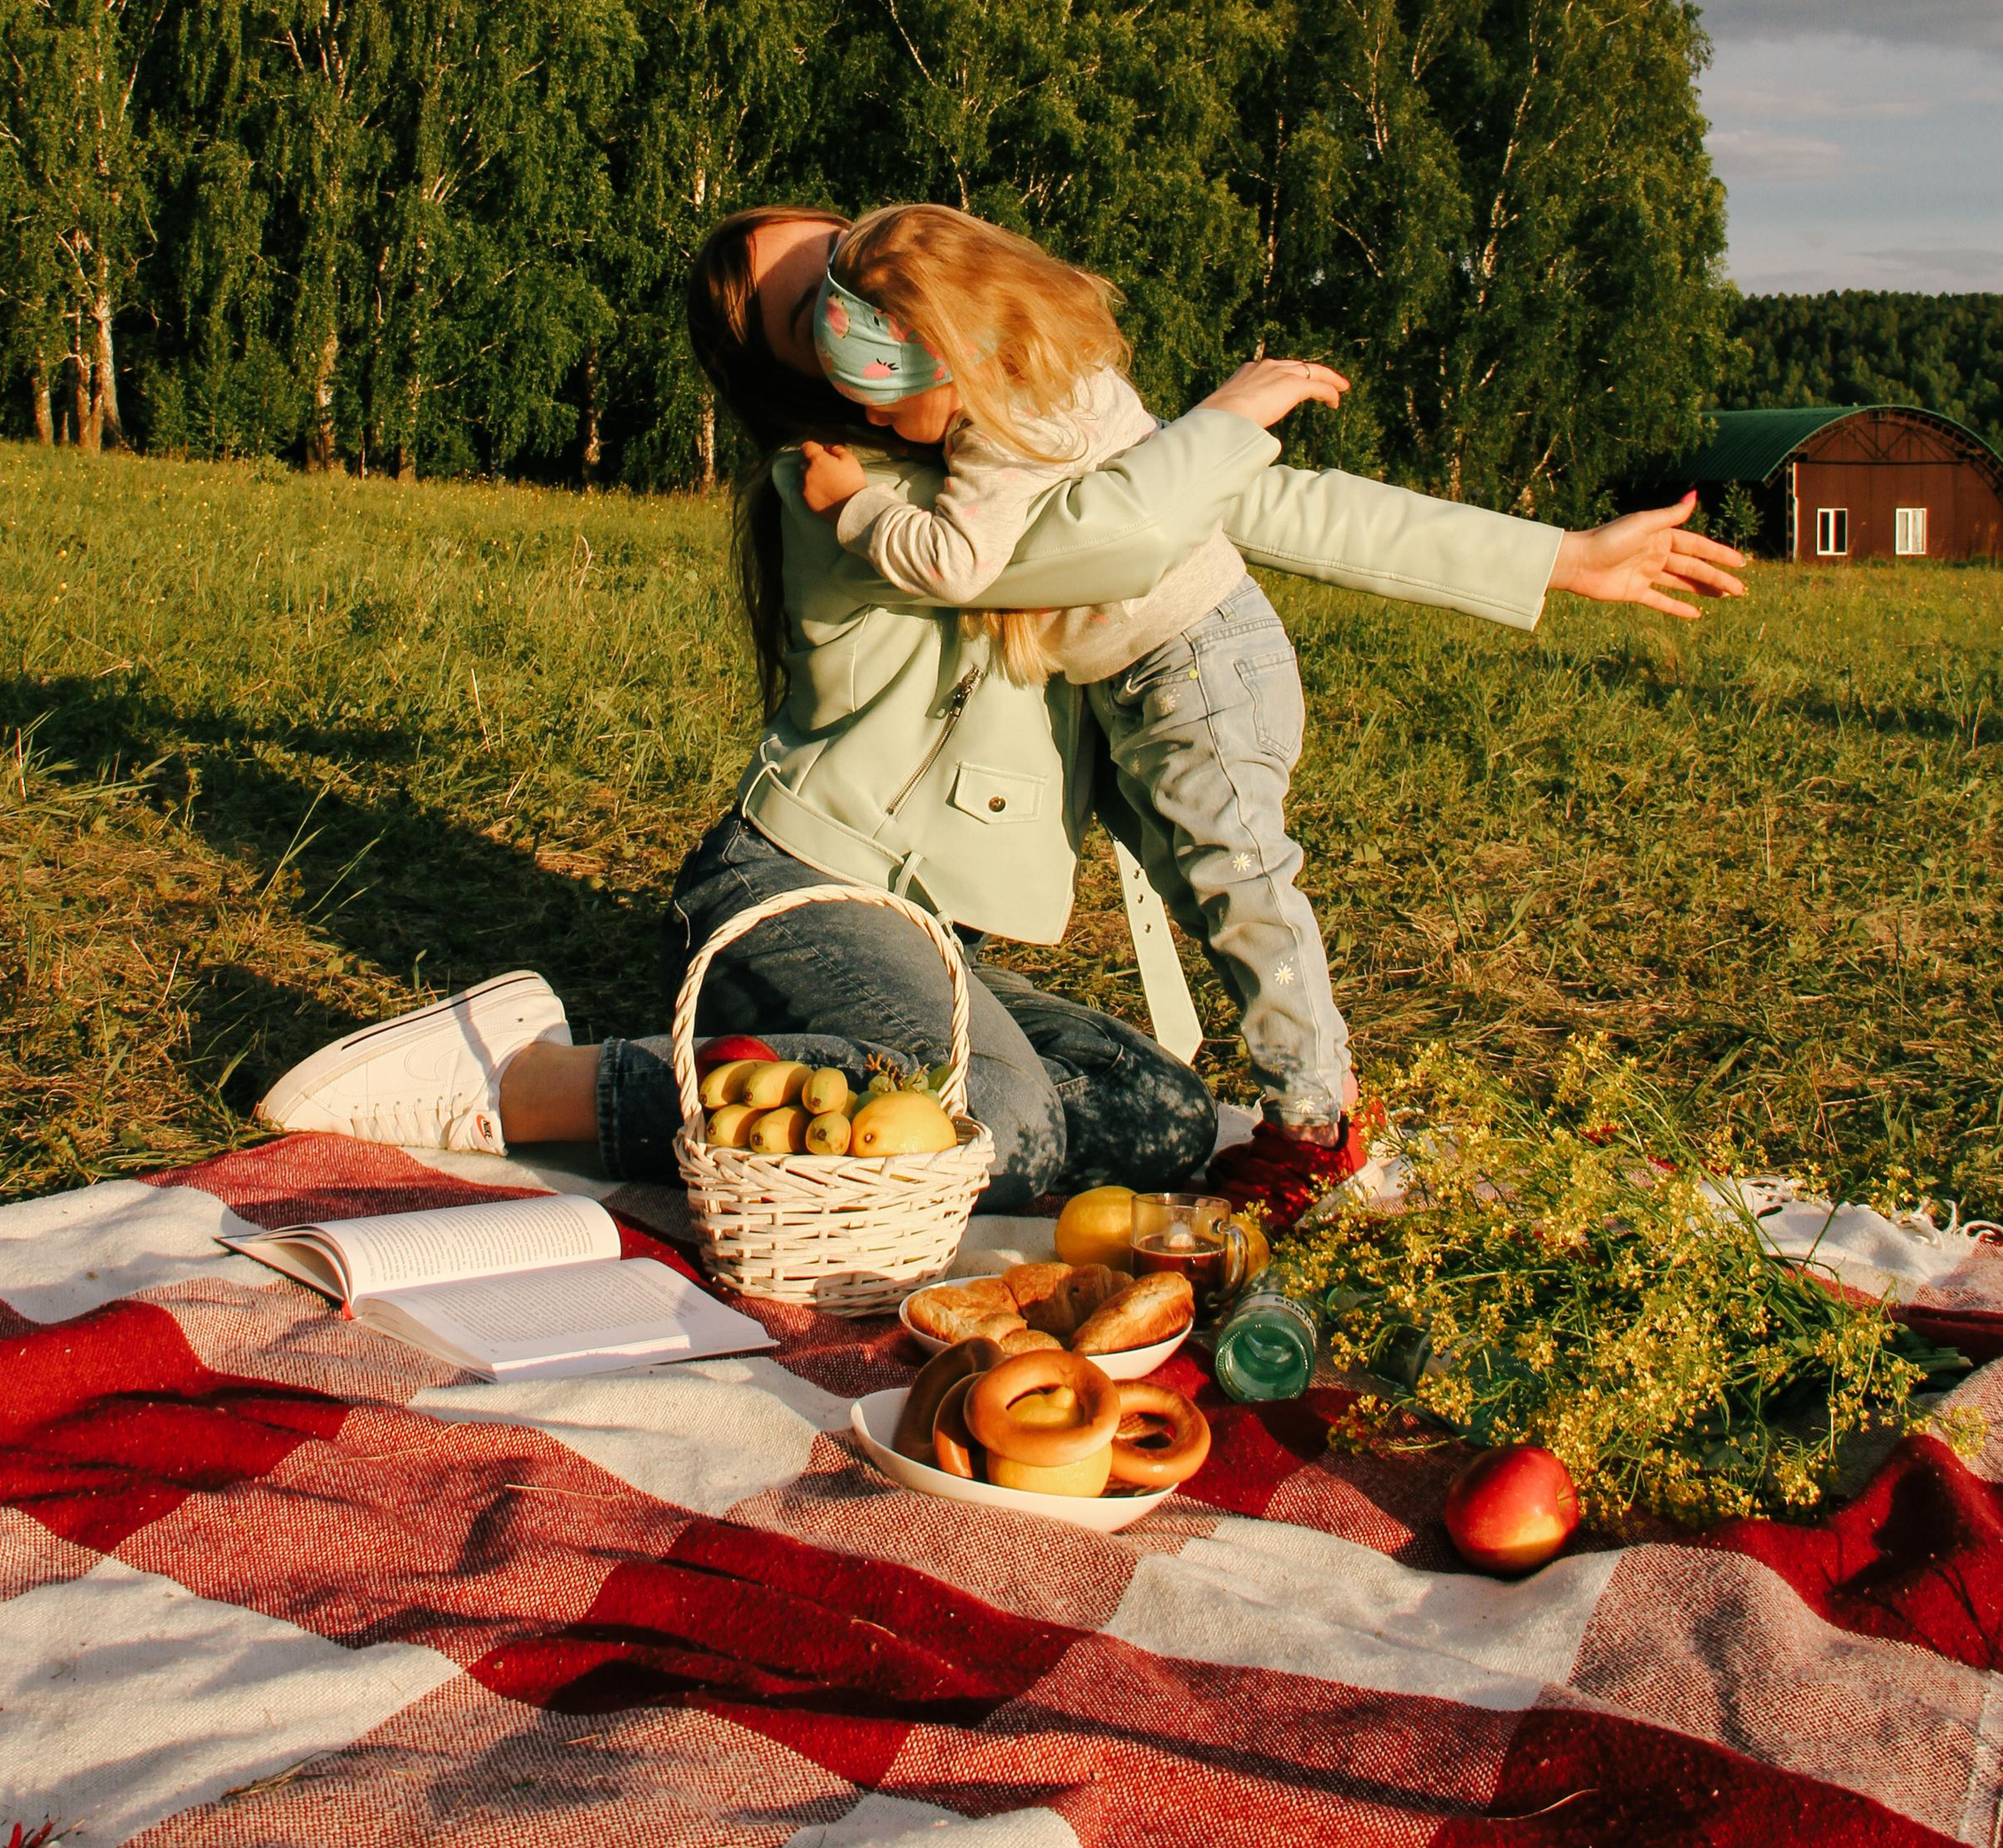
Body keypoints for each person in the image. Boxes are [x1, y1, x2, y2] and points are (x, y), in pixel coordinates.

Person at [263, 204, 1746, 1206]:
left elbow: (1245, 508)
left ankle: (832, 1072)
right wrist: (1219, 424)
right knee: (1012, 1131)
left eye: (846, 260)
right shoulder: (840, 493)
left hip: (933, 933)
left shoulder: (1010, 437)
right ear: (792, 371)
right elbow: (1121, 532)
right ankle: (535, 1081)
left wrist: (1557, 557)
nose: (852, 302)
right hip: (797, 887)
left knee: (1161, 1119)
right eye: (806, 308)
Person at [798, 202, 1363, 1167]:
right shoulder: (1064, 380)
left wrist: (857, 508)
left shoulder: (1002, 433)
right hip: (1183, 664)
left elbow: (958, 564)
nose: (871, 418)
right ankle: (1314, 1095)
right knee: (1218, 886)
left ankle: (1316, 1121)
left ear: (950, 359)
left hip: (1191, 666)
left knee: (1242, 884)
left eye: (883, 398)